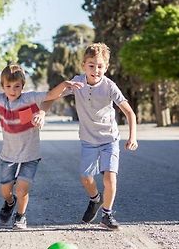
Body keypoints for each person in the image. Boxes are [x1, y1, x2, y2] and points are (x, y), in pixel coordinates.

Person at [0, 58, 82, 229]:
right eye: (8, 86)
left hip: (30, 155)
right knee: (5, 191)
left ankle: (20, 216)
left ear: (22, 86)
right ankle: (10, 203)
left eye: (17, 86)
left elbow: (51, 95)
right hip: (8, 156)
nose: (12, 90)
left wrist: (65, 84)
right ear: (3, 87)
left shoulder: (30, 98)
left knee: (22, 189)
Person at [44, 42, 138, 230]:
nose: (96, 70)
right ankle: (95, 199)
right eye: (91, 65)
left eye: (100, 66)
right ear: (83, 65)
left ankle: (107, 214)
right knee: (86, 177)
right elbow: (51, 96)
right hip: (88, 141)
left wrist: (132, 137)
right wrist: (59, 91)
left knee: (110, 176)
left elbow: (130, 113)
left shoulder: (110, 86)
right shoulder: (77, 82)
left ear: (106, 67)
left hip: (109, 139)